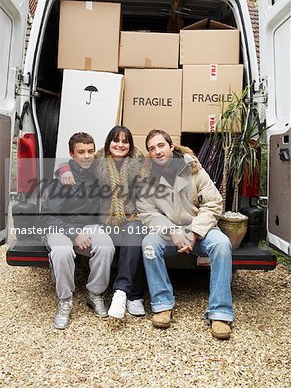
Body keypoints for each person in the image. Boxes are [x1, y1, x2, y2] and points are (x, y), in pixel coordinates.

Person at [137, 129, 234, 339]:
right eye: (152, 148)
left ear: (171, 147)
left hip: (199, 229)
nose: (157, 151)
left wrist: (195, 232)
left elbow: (214, 203)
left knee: (222, 244)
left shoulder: (194, 170)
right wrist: (171, 230)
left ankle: (220, 313)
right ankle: (162, 305)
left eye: (161, 145)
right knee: (149, 244)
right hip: (169, 232)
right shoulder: (147, 179)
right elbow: (147, 212)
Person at [59, 126, 146, 320]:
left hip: (131, 218)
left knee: (134, 232)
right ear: (109, 143)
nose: (120, 145)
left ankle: (125, 294)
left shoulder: (140, 164)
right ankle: (131, 294)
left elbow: (163, 163)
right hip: (105, 221)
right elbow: (76, 162)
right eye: (116, 140)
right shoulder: (98, 162)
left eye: (125, 141)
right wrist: (63, 168)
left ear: (130, 146)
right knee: (127, 242)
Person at [40, 132, 115, 329]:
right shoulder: (62, 179)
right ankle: (65, 300)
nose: (87, 156)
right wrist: (73, 234)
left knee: (106, 246)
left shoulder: (98, 174)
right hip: (59, 227)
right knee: (62, 251)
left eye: (90, 151)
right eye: (81, 152)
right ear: (72, 154)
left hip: (88, 226)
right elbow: (47, 217)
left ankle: (95, 293)